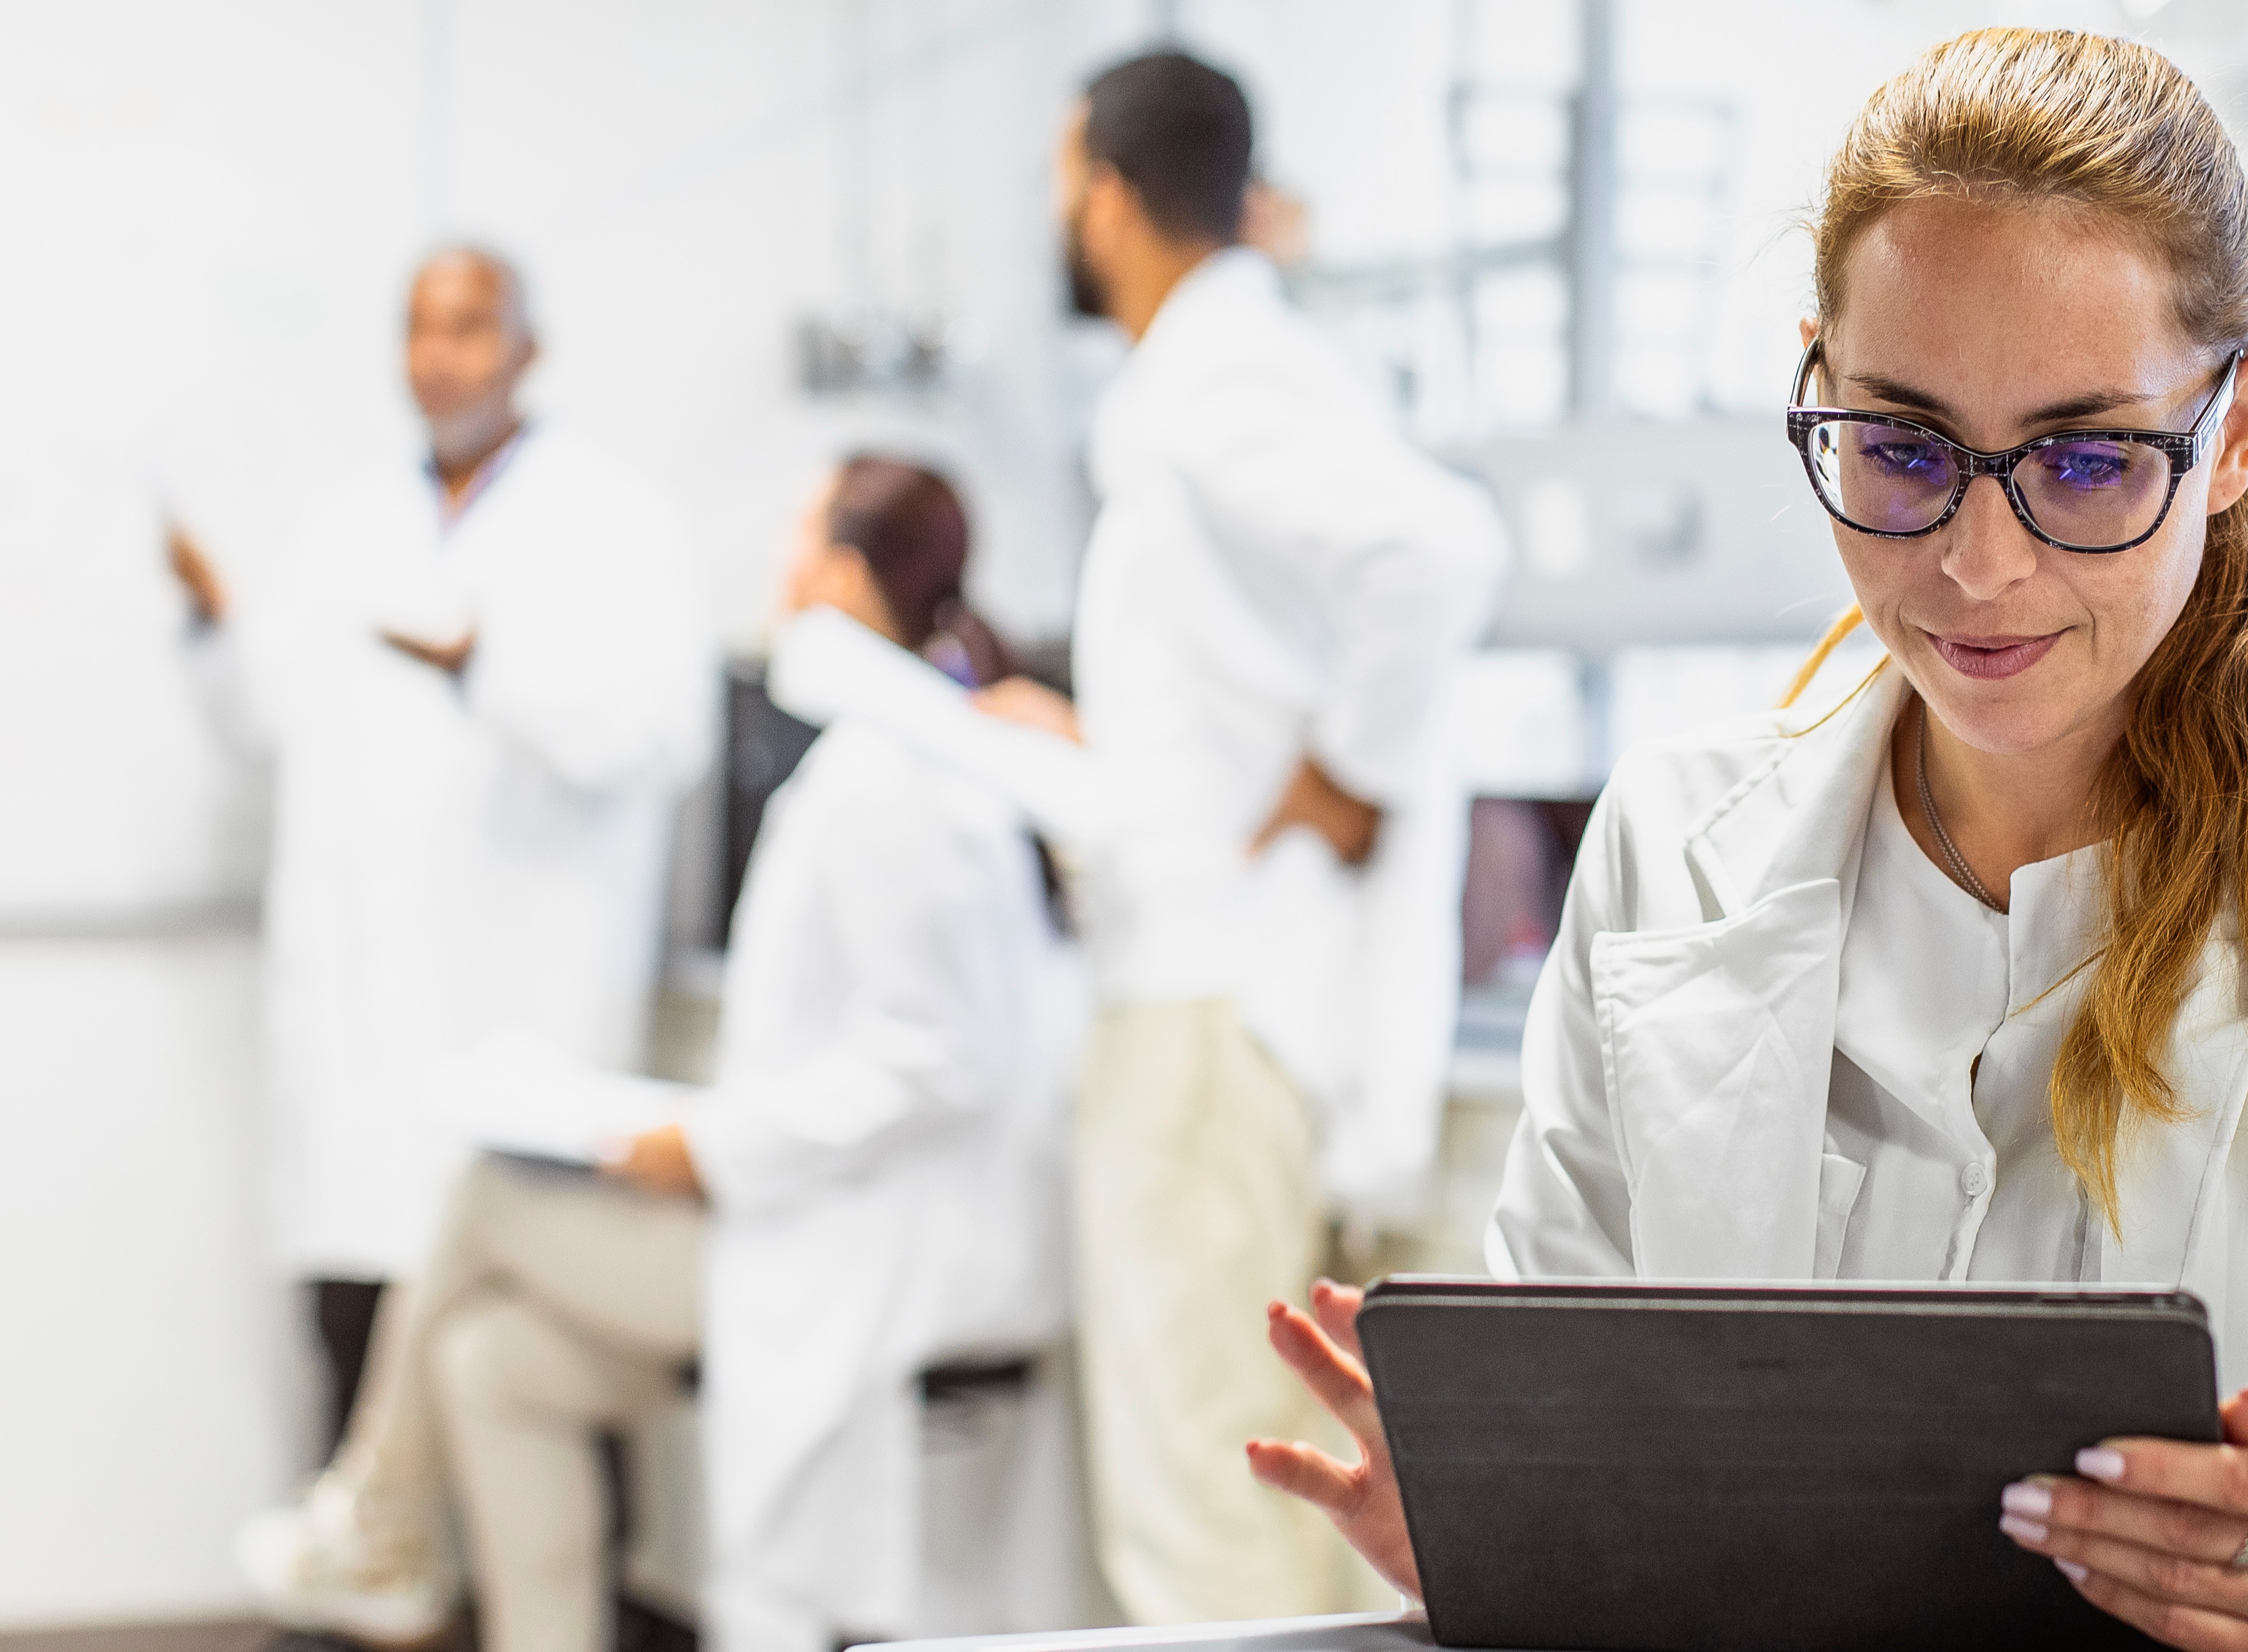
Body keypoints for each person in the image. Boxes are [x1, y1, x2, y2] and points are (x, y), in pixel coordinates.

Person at [1249, 29, 2248, 1652]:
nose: (1979, 565)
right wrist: (1512, 1525)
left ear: (2237, 432)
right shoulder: (1669, 841)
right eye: (1903, 450)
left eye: (2087, 459)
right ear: (1817, 389)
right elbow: (1585, 1442)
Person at [770, 51, 1508, 1624]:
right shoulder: (1212, 376)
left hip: (1202, 1016)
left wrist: (1346, 774)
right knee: (1249, 1501)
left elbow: (1436, 553)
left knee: (1201, 1509)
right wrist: (1101, 748)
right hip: (1210, 995)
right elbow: (1241, 691)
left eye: (1062, 181)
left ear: (1104, 194)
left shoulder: (1214, 372)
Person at [240, 458, 1088, 1652]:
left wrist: (708, 1144)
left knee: (486, 1194)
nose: (777, 568)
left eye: (797, 536)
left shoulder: (895, 779)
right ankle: (406, 1549)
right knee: (491, 1362)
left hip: (869, 1252)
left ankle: (376, 1519)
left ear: (844, 578)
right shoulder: (888, 759)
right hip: (826, 1214)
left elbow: (938, 1060)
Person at [170, 245, 712, 1447]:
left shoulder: (618, 524)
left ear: (528, 348)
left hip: (525, 989)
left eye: (467, 328)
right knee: (358, 1325)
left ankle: (552, 1572)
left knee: (530, 1349)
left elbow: (660, 734)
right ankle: (367, 1566)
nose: (437, 357)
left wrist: (486, 670)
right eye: (418, 329)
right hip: (363, 1011)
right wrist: (214, 625)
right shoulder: (349, 527)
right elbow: (270, 719)